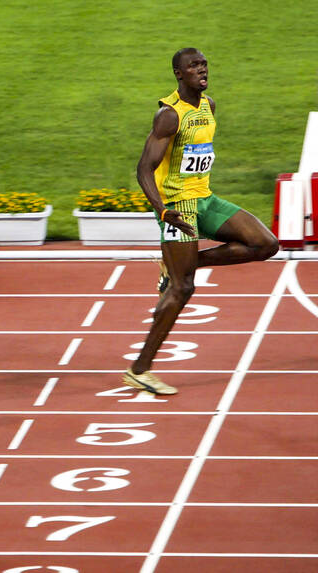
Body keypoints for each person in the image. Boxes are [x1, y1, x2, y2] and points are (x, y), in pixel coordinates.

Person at [124, 48, 279, 395]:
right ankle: (139, 369)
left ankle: (182, 263)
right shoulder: (169, 115)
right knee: (183, 288)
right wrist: (162, 210)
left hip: (205, 199)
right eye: (194, 66)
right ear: (179, 74)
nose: (202, 70)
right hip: (177, 207)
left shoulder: (209, 106)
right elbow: (144, 169)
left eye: (204, 64)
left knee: (266, 244)